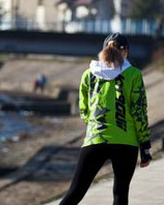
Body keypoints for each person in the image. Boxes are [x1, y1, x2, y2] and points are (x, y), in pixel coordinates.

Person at [59, 32, 151, 205]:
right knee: (120, 194)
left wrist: (95, 126)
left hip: (96, 139)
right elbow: (139, 112)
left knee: (75, 193)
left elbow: (84, 108)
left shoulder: (89, 74)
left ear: (103, 50)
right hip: (126, 142)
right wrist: (145, 146)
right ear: (126, 52)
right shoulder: (134, 74)